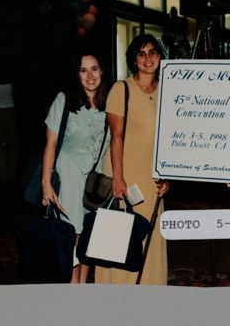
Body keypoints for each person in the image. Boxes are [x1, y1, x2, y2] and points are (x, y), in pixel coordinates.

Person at [94, 34, 169, 285]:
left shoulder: (168, 92)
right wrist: (118, 178)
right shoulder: (121, 89)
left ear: (160, 56)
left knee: (149, 235)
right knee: (120, 235)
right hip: (125, 172)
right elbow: (117, 138)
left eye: (153, 52)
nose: (148, 58)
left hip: (153, 176)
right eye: (141, 53)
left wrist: (167, 175)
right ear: (134, 60)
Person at [41, 51, 110, 283]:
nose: (90, 75)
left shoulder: (111, 103)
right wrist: (46, 184)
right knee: (71, 236)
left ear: (102, 71)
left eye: (94, 69)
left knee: (88, 236)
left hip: (95, 184)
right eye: (83, 70)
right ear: (76, 74)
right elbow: (50, 143)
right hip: (69, 177)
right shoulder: (64, 100)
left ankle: (81, 286)